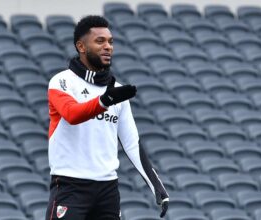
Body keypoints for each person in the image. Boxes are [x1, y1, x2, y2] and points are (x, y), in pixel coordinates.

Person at [46, 15, 169, 220]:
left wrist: (156, 185)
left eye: (111, 42)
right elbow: (72, 114)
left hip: (107, 191)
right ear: (81, 46)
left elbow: (132, 143)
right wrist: (105, 101)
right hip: (69, 187)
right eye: (100, 41)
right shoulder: (61, 82)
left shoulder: (118, 92)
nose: (108, 47)